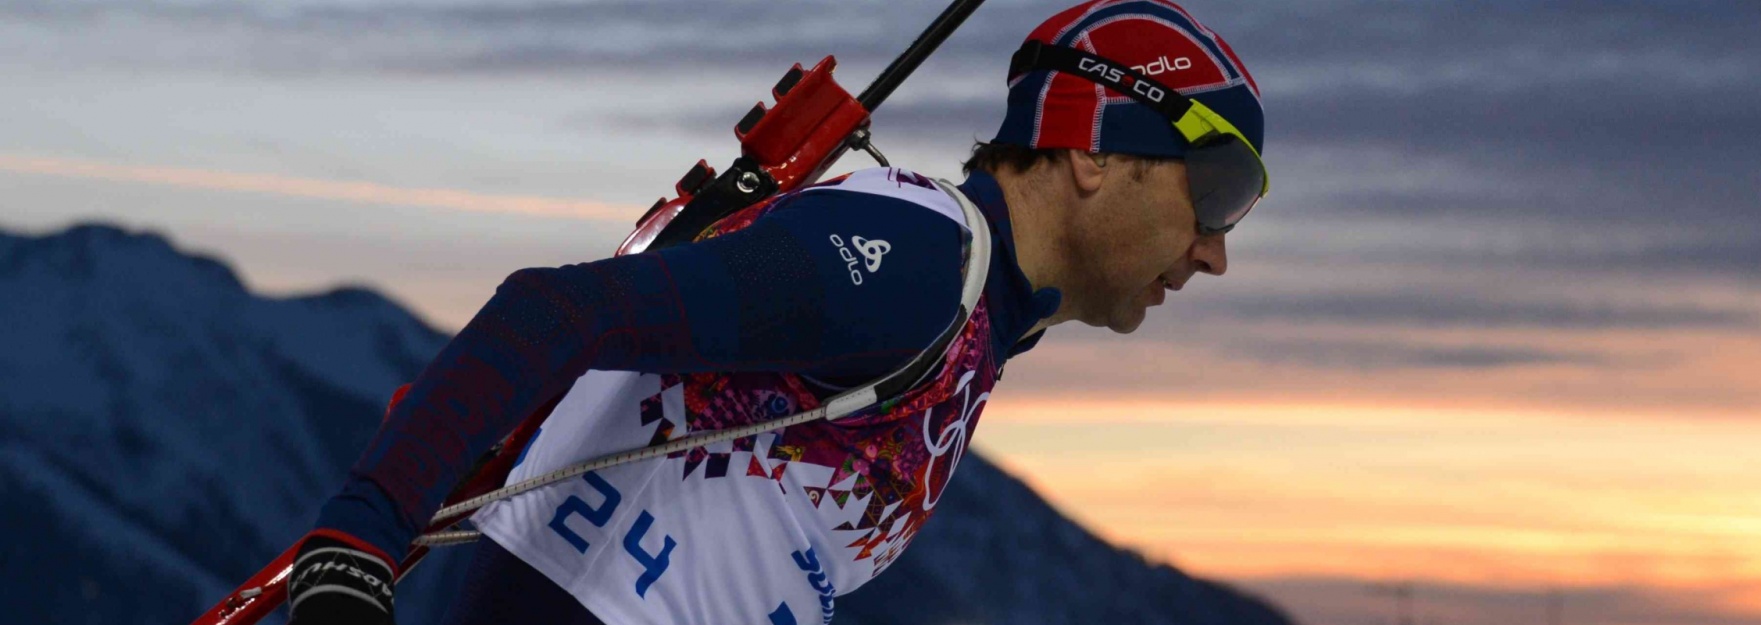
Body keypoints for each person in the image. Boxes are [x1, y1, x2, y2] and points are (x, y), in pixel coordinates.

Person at [284, 1, 1267, 623]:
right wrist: (356, 540)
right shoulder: (915, 263)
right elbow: (558, 310)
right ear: (1090, 152)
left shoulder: (969, 319)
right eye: (1215, 190)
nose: (1214, 250)